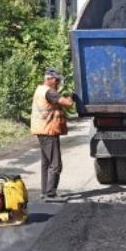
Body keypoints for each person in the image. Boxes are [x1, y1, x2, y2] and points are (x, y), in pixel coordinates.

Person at [31, 68, 74, 200]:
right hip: (48, 131)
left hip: (42, 130)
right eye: (56, 81)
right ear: (50, 80)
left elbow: (53, 98)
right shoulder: (50, 92)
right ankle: (50, 193)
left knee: (46, 163)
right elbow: (68, 104)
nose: (57, 83)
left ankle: (45, 191)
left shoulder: (40, 89)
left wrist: (60, 92)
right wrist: (72, 96)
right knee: (56, 164)